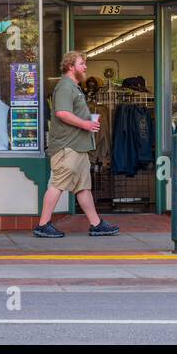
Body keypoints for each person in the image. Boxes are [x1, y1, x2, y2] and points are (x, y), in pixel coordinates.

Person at [32, 51, 120, 238]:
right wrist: (86, 124)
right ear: (71, 67)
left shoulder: (74, 87)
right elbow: (62, 113)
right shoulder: (65, 87)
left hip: (78, 147)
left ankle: (96, 224)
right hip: (67, 147)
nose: (85, 67)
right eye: (82, 64)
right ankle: (43, 224)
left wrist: (87, 122)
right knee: (57, 184)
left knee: (83, 187)